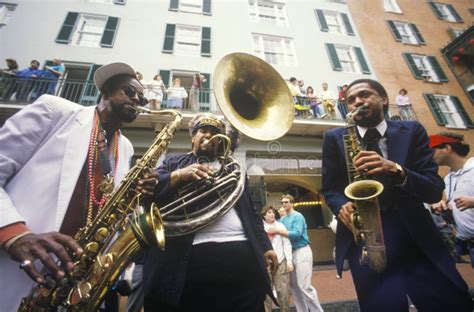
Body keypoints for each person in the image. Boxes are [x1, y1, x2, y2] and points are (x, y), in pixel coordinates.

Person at [0, 62, 157, 312]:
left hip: (71, 281)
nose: (137, 99)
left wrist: (134, 195)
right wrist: (14, 234)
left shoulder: (124, 146)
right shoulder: (54, 110)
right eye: (129, 91)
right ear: (105, 91)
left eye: (141, 96)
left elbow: (106, 206)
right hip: (17, 266)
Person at [322, 78, 471, 312]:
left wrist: (396, 169)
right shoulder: (333, 138)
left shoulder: (412, 130)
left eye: (364, 95)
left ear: (383, 99)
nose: (357, 102)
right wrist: (340, 205)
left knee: (448, 304)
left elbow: (433, 190)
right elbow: (330, 188)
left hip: (415, 238)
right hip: (365, 241)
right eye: (350, 100)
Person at [142, 113, 278, 312]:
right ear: (192, 138)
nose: (209, 135)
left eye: (215, 132)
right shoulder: (174, 162)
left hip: (242, 255)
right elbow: (149, 194)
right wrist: (180, 175)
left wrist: (265, 245)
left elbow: (252, 212)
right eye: (203, 131)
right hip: (191, 258)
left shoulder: (234, 169)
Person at [268, 195, 324, 312]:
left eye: (286, 202)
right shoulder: (282, 219)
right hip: (290, 254)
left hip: (302, 251)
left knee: (305, 286)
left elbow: (297, 234)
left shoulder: (298, 216)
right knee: (294, 288)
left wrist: (279, 231)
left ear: (292, 203)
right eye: (282, 202)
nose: (284, 204)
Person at [430, 133, 474, 267]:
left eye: (432, 150)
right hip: (468, 243)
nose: (429, 155)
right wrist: (443, 205)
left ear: (447, 148)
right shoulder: (448, 178)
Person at [261, 206, 293, 312]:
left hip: (280, 262)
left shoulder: (280, 225)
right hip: (266, 264)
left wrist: (289, 261)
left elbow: (286, 244)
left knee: (283, 292)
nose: (272, 214)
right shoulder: (260, 228)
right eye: (269, 212)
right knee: (266, 294)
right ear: (264, 216)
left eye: (273, 212)